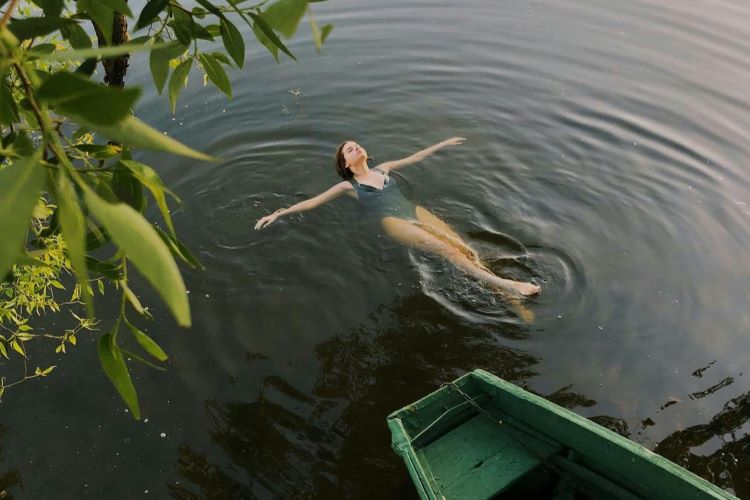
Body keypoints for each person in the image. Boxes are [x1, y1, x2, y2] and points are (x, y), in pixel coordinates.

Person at [255, 137, 541, 297]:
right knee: (447, 249)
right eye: (348, 150)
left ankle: (503, 291)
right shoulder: (348, 187)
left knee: (464, 245)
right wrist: (278, 214)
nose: (355, 147)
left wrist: (442, 144)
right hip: (393, 221)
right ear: (345, 164)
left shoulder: (384, 168)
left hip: (414, 211)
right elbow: (311, 202)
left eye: (356, 144)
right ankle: (507, 286)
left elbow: (416, 157)